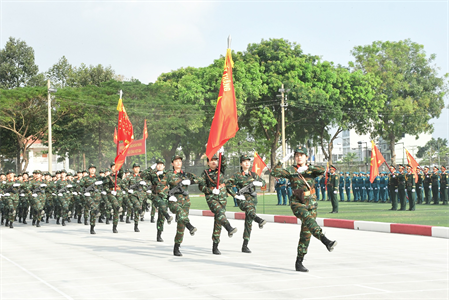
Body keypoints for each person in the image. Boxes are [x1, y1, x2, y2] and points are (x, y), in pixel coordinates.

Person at [270, 146, 337, 272]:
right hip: (297, 202)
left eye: (301, 155)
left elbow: (324, 169)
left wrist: (308, 168)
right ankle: (325, 240)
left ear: (306, 157)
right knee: (309, 220)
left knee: (306, 234)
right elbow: (274, 172)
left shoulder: (312, 170)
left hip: (311, 203)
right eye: (296, 155)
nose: (298, 157)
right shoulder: (291, 170)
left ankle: (299, 262)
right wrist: (281, 161)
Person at [158, 154, 199, 256]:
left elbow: (200, 180)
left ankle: (177, 247)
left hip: (185, 202)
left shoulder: (186, 174)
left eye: (180, 161)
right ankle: (190, 226)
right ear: (172, 163)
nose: (178, 163)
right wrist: (168, 196)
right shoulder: (169, 174)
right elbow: (160, 187)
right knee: (181, 214)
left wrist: (191, 181)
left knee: (181, 225)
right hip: (174, 201)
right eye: (176, 161)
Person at [226, 154, 267, 253]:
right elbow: (228, 185)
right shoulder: (237, 175)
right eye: (244, 161)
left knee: (248, 223)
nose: (247, 163)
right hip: (243, 199)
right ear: (241, 164)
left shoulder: (253, 175)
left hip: (252, 200)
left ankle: (245, 245)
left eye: (248, 161)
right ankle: (258, 219)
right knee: (249, 210)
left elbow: (264, 183)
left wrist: (260, 183)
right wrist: (235, 195)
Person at [198, 152, 238, 255]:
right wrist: (211, 191)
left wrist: (222, 152)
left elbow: (223, 162)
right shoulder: (205, 173)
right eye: (212, 160)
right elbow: (201, 187)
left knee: (218, 221)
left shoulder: (221, 170)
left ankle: (215, 246)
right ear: (208, 163)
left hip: (222, 198)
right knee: (220, 213)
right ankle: (229, 227)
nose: (214, 162)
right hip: (212, 198)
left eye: (215, 160)